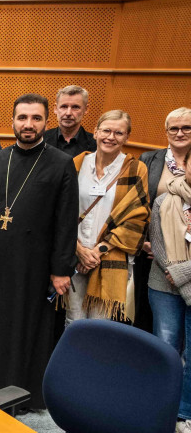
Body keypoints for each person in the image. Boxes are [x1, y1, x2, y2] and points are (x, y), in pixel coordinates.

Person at [0, 94, 78, 410]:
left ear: (45, 122)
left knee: (23, 329)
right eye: (22, 117)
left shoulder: (61, 163)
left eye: (36, 118)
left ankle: (19, 396)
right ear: (12, 121)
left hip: (33, 265)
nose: (28, 124)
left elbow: (66, 222)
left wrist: (61, 269)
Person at [65, 111, 148, 324]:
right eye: (106, 131)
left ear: (127, 137)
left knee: (100, 325)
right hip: (75, 256)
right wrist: (79, 250)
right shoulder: (77, 163)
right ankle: (72, 359)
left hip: (110, 257)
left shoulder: (136, 169)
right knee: (73, 321)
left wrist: (96, 252)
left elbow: (136, 219)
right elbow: (61, 211)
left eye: (118, 133)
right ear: (95, 132)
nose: (111, 137)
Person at [134, 107, 191, 333]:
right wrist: (144, 242)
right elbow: (136, 204)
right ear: (165, 131)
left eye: (186, 127)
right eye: (173, 128)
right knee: (156, 326)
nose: (180, 133)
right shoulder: (149, 159)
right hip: (153, 256)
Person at [147, 157, 191, 433]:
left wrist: (182, 273)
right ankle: (158, 409)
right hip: (163, 285)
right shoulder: (165, 199)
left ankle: (183, 415)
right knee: (166, 349)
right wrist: (172, 272)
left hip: (177, 278)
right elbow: (157, 242)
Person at [43, 85, 96, 158]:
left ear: (86, 109)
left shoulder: (96, 144)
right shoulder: (41, 139)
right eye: (64, 106)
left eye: (75, 107)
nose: (68, 113)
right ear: (55, 108)